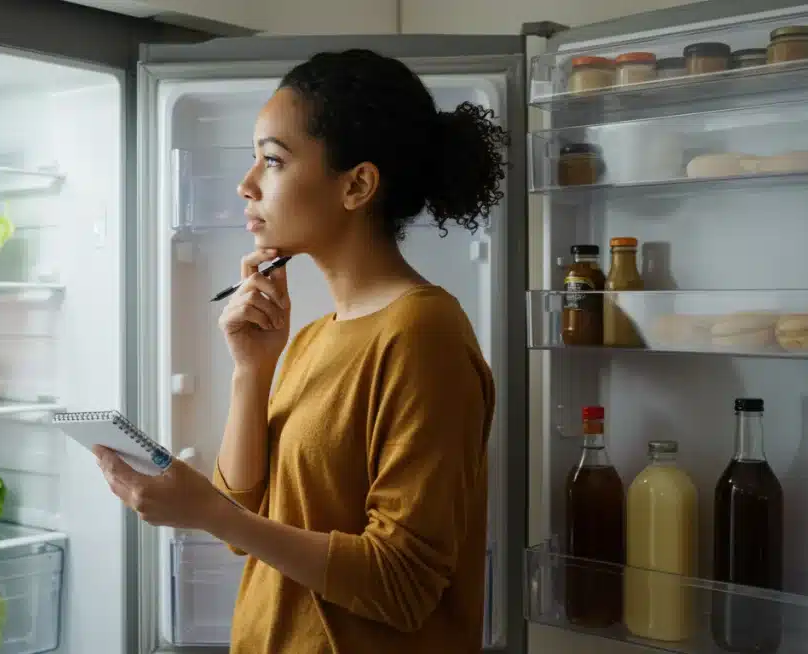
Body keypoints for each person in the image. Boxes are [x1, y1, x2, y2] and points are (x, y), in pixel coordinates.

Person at [94, 48, 506, 653]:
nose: (246, 184)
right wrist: (251, 369)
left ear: (357, 185)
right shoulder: (314, 335)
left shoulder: (423, 335)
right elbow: (243, 519)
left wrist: (209, 513)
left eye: (272, 160)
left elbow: (403, 585)